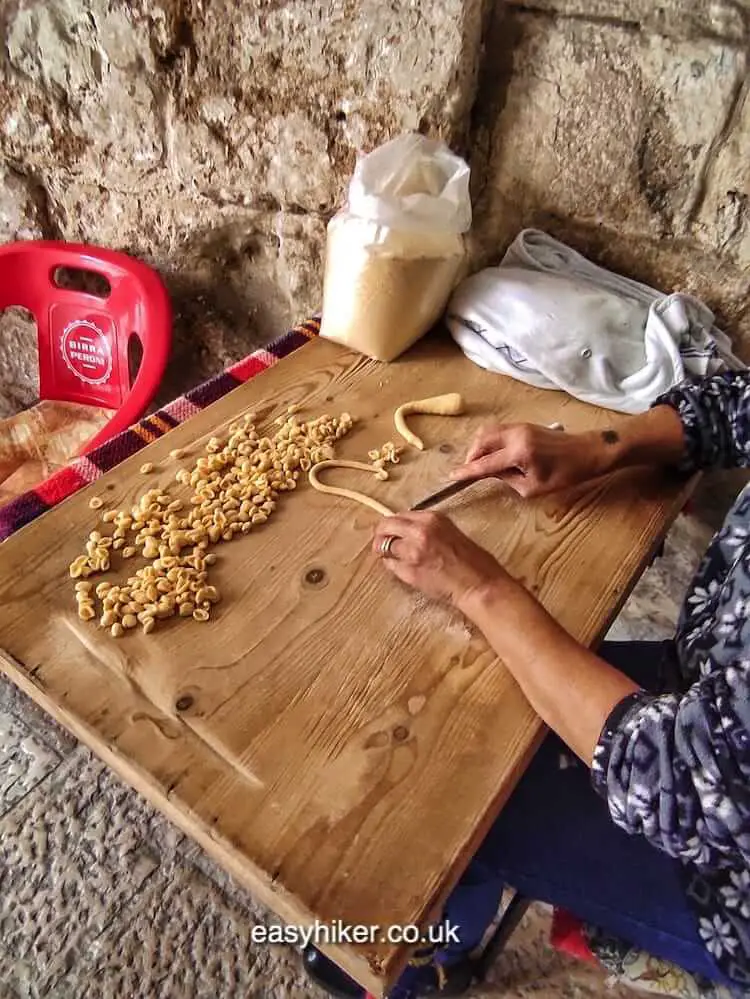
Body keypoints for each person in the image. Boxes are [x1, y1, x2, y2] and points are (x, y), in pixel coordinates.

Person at [306, 373, 750, 998]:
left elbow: (677, 780)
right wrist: (605, 446)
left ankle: (409, 966)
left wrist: (479, 589)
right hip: (711, 693)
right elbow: (738, 403)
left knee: (433, 794)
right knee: (467, 701)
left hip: (723, 867)